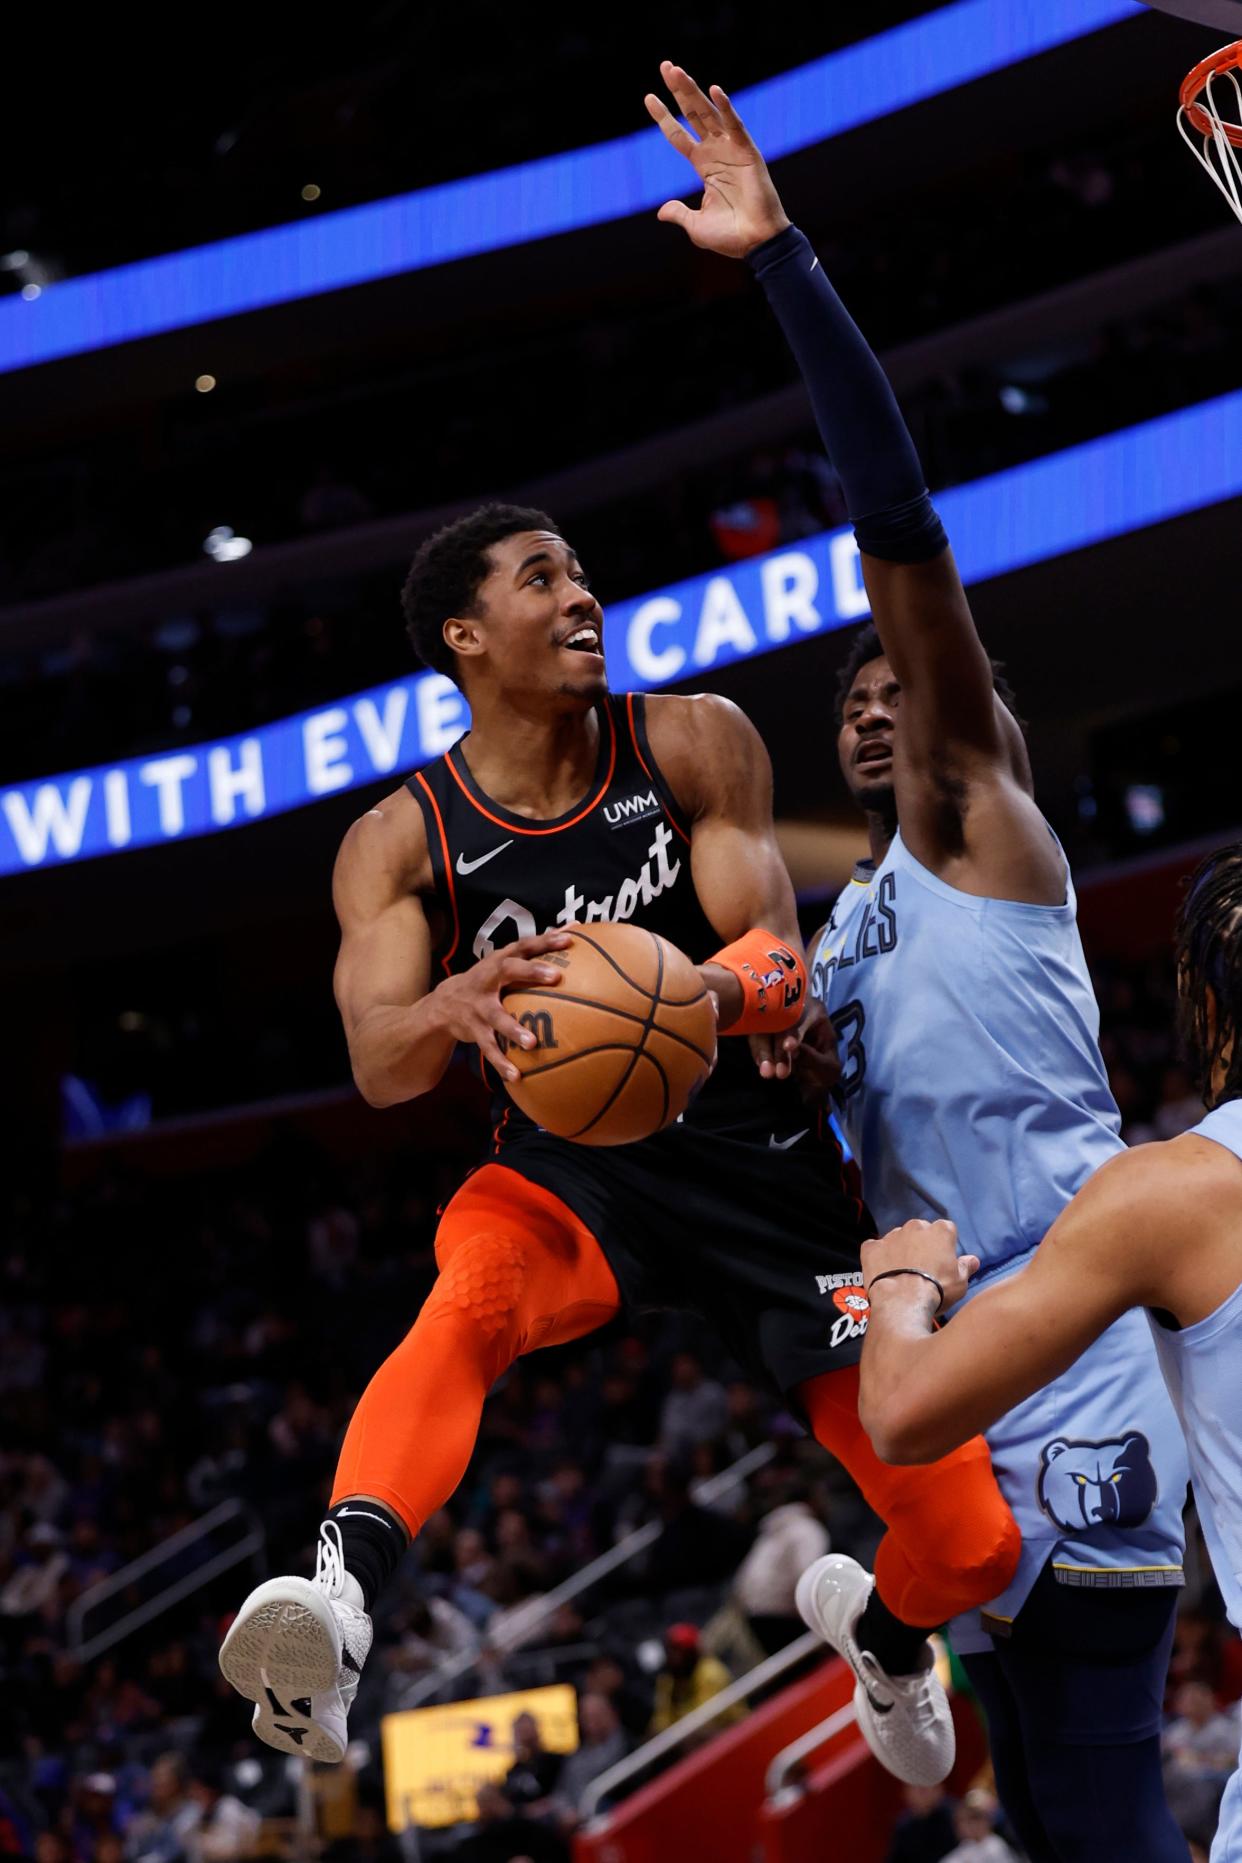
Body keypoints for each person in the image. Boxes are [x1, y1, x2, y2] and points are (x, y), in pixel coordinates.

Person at [218, 60, 1022, 1784]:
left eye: (584, 575)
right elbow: (371, 1061)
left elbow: (776, 960)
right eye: (541, 584)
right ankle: (340, 1593)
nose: (583, 595)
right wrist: (449, 1012)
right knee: (468, 1290)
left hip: (758, 1160)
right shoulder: (399, 841)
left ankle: (883, 1635)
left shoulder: (691, 739)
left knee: (969, 1544)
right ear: (461, 640)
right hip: (582, 1164)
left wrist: (687, 995)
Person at [645, 43, 1189, 1861]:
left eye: (906, 687)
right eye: (856, 699)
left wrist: (784, 259)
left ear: (972, 718)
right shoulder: (856, 918)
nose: (877, 708)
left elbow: (903, 539)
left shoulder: (981, 824)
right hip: (944, 1360)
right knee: (1025, 1800)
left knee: (1099, 1789)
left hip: (1080, 1329)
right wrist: (783, 1063)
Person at [858, 845, 1242, 1862]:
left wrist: (899, 1287)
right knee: (1040, 1812)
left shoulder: (1171, 1191)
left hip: (1074, 1412)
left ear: (1211, 1009)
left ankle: (889, 1634)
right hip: (1056, 1428)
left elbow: (900, 1414)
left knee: (1080, 1814)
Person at [648, 1623, 741, 1737]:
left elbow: (706, 1723)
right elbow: (660, 1725)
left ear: (691, 1652)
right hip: (686, 1741)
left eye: (678, 1651)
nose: (673, 1657)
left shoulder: (710, 1672)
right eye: (670, 1650)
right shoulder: (668, 1681)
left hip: (731, 1733)